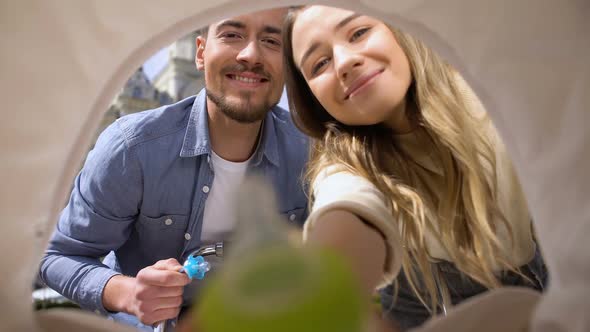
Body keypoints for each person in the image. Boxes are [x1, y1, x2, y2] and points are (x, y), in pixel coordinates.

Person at [39, 7, 309, 331]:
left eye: (271, 40)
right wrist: (128, 293)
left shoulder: (311, 155)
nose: (251, 53)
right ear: (200, 53)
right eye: (232, 34)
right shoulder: (133, 149)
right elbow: (56, 256)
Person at [283, 5, 546, 331]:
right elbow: (346, 206)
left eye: (359, 33)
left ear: (398, 28)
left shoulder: (490, 94)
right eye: (319, 63)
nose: (344, 61)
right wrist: (325, 295)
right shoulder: (343, 162)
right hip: (431, 293)